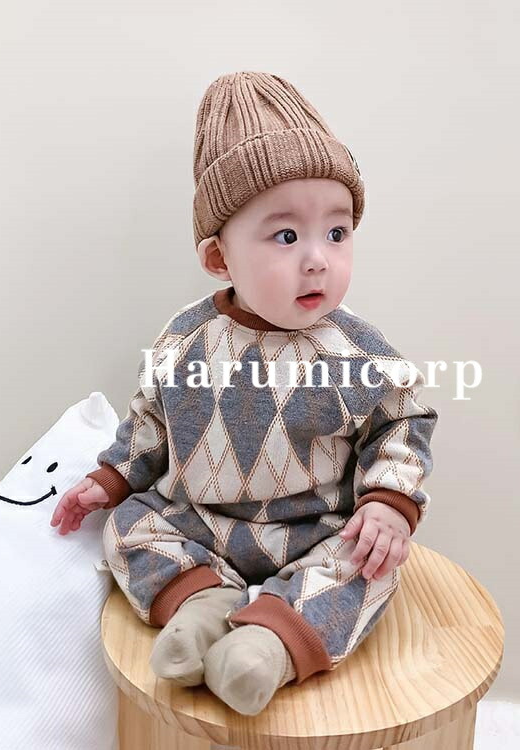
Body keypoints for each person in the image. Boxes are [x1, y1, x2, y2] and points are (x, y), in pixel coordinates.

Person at [50, 71, 438, 716]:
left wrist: (390, 502)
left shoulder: (357, 353)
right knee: (127, 527)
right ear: (219, 259)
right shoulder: (185, 340)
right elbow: (150, 422)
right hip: (202, 522)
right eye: (286, 236)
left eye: (337, 233)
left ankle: (270, 644)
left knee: (370, 565)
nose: (318, 259)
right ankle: (202, 602)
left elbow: (403, 421)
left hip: (316, 530)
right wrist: (112, 478)